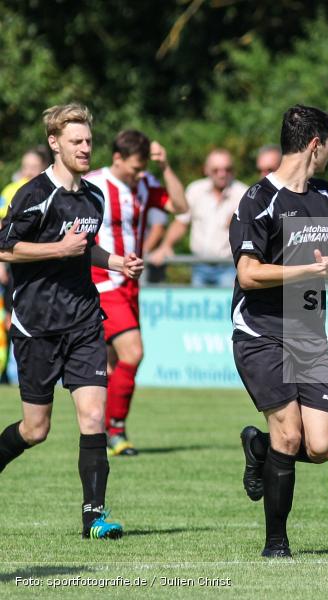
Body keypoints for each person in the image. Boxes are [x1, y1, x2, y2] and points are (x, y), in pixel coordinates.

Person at [0, 103, 143, 539]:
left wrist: (115, 261)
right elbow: (6, 248)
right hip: (36, 326)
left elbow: (85, 247)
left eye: (88, 141)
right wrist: (54, 250)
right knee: (35, 428)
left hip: (83, 320)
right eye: (76, 141)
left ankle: (94, 516)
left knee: (92, 415)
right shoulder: (32, 194)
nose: (85, 148)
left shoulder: (93, 195)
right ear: (54, 143)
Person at [230, 105, 328, 558]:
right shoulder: (258, 199)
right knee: (290, 434)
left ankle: (259, 447)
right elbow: (248, 275)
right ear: (314, 144)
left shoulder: (326, 198)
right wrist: (310, 269)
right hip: (261, 332)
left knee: (323, 445)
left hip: (309, 336)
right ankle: (276, 544)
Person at [85, 130, 188, 455]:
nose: (137, 175)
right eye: (133, 168)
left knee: (114, 362)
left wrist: (166, 167)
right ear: (117, 159)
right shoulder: (93, 183)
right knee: (134, 352)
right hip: (101, 281)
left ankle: (98, 430)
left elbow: (181, 207)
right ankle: (115, 430)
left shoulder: (144, 183)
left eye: (142, 169)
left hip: (130, 284)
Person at [149, 149, 248, 286]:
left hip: (230, 266)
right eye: (216, 170)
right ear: (206, 170)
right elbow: (181, 223)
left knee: (228, 307)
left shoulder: (244, 193)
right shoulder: (195, 190)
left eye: (227, 169)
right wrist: (166, 245)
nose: (222, 174)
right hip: (198, 265)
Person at [0, 147, 51, 382]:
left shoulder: (53, 191)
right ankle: (15, 373)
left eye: (33, 166)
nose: (28, 171)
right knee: (12, 319)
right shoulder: (12, 191)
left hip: (45, 270)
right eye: (25, 166)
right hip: (14, 265)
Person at [0, 147, 51, 218]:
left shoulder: (51, 192)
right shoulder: (9, 190)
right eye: (25, 167)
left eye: (34, 168)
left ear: (44, 168)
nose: (28, 172)